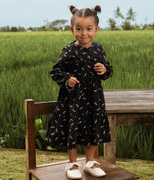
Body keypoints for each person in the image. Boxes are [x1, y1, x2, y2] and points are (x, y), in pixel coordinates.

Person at [46, 5, 113, 179]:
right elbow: (56, 71)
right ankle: (72, 164)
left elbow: (108, 69)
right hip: (74, 99)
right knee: (73, 128)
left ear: (96, 29)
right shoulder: (69, 50)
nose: (84, 33)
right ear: (72, 29)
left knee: (92, 128)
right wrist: (67, 78)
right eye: (79, 29)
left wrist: (104, 69)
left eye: (89, 29)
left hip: (94, 98)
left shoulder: (98, 49)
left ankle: (89, 162)